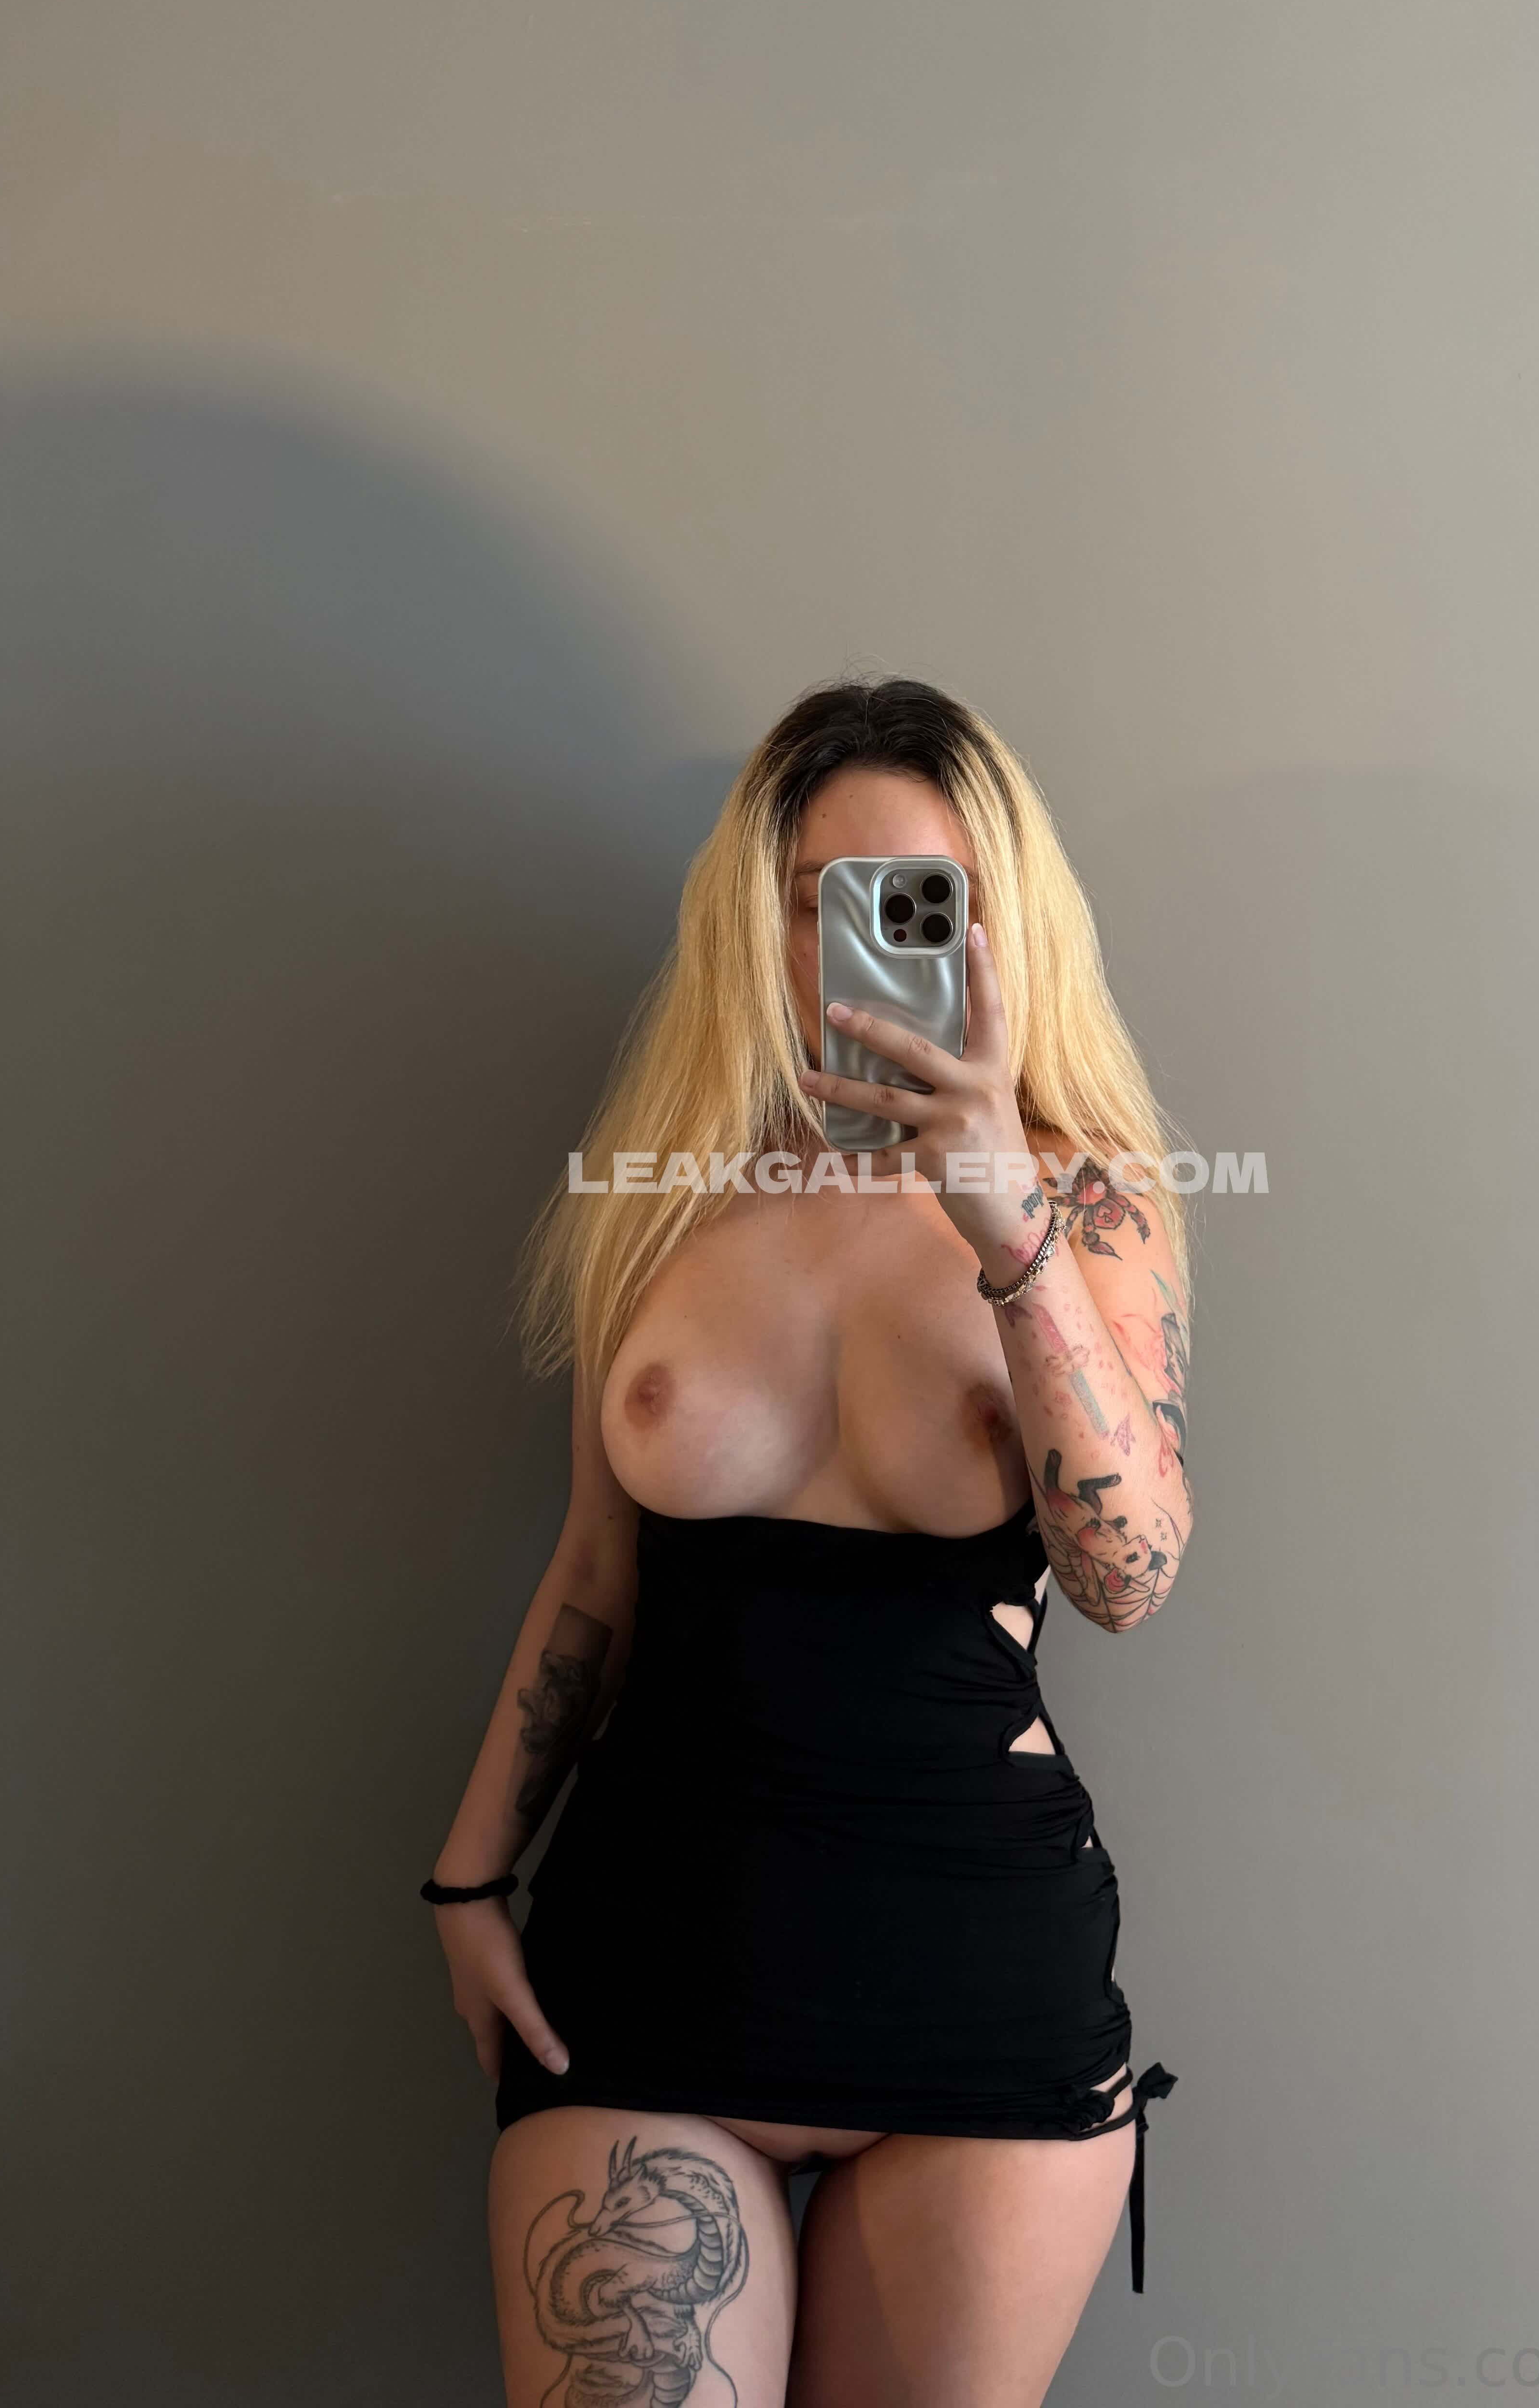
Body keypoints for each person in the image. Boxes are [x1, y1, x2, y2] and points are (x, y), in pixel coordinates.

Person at [428, 677, 1193, 2408]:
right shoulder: (661, 1194)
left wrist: (1002, 1220)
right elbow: (593, 1575)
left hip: (978, 1984)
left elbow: (1131, 1576)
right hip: (648, 1968)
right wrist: (467, 1882)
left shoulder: (1089, 1197)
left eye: (926, 902)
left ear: (1001, 926)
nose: (870, 949)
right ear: (756, 929)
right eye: (821, 902)